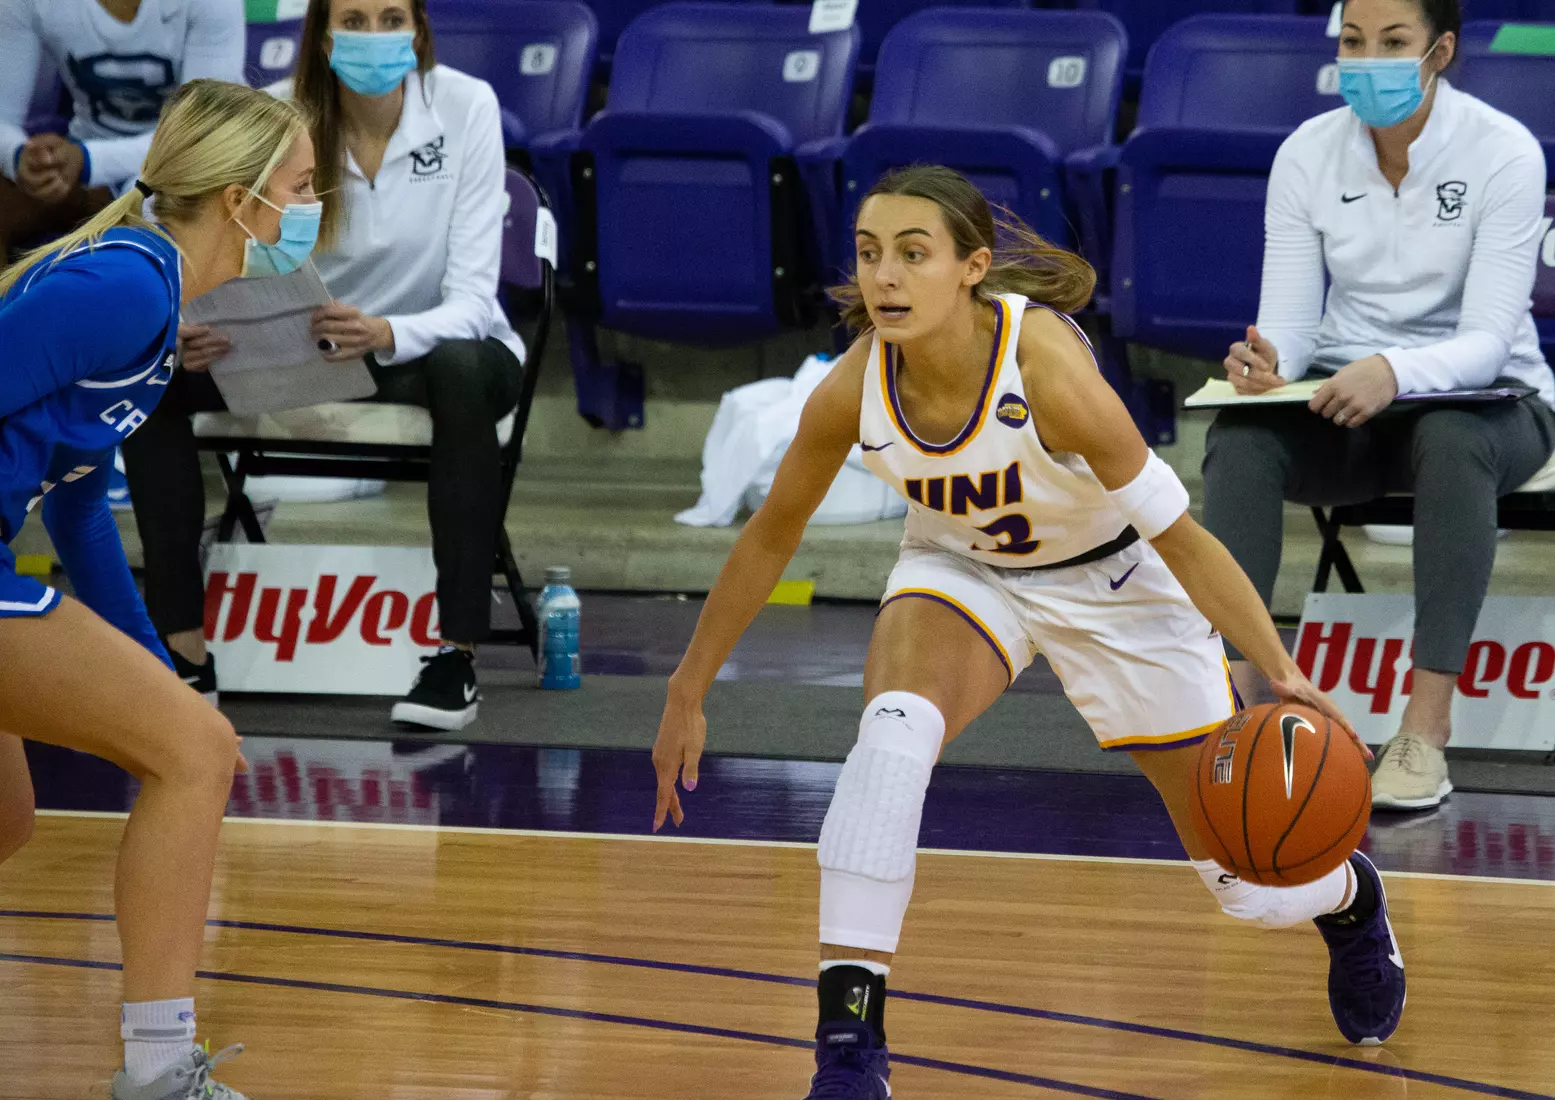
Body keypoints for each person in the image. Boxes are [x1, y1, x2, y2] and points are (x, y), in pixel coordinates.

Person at [650, 165, 1408, 1098]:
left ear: (971, 267)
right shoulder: (852, 388)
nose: (884, 276)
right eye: (869, 252)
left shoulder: (1045, 367)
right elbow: (769, 536)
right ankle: (848, 1047)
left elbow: (1180, 537)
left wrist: (1277, 667)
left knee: (1247, 888)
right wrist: (687, 686)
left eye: (913, 254)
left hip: (1117, 580)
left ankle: (1348, 898)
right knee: (890, 739)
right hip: (961, 568)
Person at [0, 78, 316, 1099]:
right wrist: (185, 720)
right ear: (239, 198)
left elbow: (81, 514)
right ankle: (161, 1071)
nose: (311, 209)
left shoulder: (152, 293)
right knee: (195, 755)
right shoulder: (125, 287)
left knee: (7, 819)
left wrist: (162, 681)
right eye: (301, 187)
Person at [121, 0, 526, 730]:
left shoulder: (467, 105)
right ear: (321, 34)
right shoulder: (274, 114)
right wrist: (183, 326)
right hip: (296, 349)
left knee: (463, 370)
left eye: (391, 18)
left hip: (429, 349)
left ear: (419, 30)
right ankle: (181, 647)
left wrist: (386, 331)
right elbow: (189, 226)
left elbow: (472, 300)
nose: (374, 36)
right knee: (154, 378)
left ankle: (455, 654)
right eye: (354, 19)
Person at [1203, 0, 1555, 812]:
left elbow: (1485, 341)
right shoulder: (1306, 151)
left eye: (1393, 42)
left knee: (1452, 435)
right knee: (1241, 436)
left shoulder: (1502, 150)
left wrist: (1391, 370)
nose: (1368, 61)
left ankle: (1422, 731)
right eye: (1354, 42)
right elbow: (1290, 322)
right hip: (1350, 402)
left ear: (1440, 50)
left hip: (1497, 405)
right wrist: (1267, 362)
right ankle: (1235, 714)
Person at [0, 0, 246, 259]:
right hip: (85, 160)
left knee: (155, 209)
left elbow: (202, 135)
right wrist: (20, 157)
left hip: (182, 166)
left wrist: (88, 161)